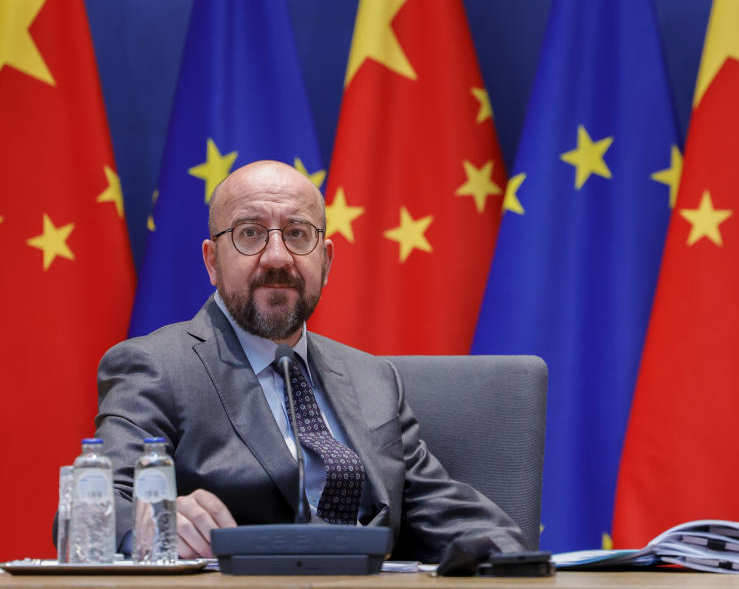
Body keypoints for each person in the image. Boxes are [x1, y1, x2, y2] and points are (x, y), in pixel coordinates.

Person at [91, 160, 525, 561]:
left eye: (298, 233)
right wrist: (150, 525)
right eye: (250, 233)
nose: (277, 257)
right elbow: (100, 505)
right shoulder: (156, 367)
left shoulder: (374, 379)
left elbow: (441, 508)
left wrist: (519, 560)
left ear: (326, 260)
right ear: (212, 261)